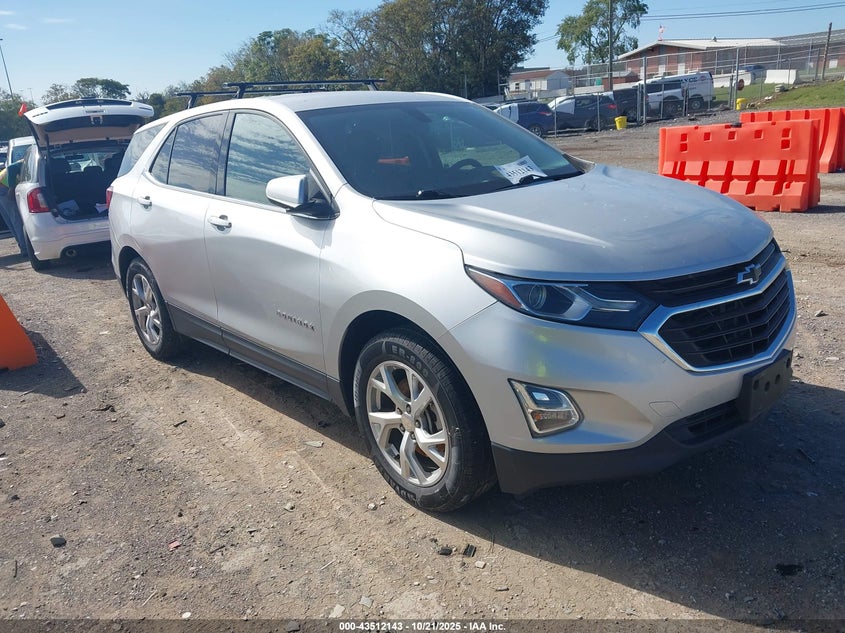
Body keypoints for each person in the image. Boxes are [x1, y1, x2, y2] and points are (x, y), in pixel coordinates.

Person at [0, 158, 25, 256]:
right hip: (4, 188)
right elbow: (11, 167)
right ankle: (25, 249)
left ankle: (23, 247)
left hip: (2, 186)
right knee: (16, 219)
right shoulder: (27, 160)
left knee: (12, 220)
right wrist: (11, 187)